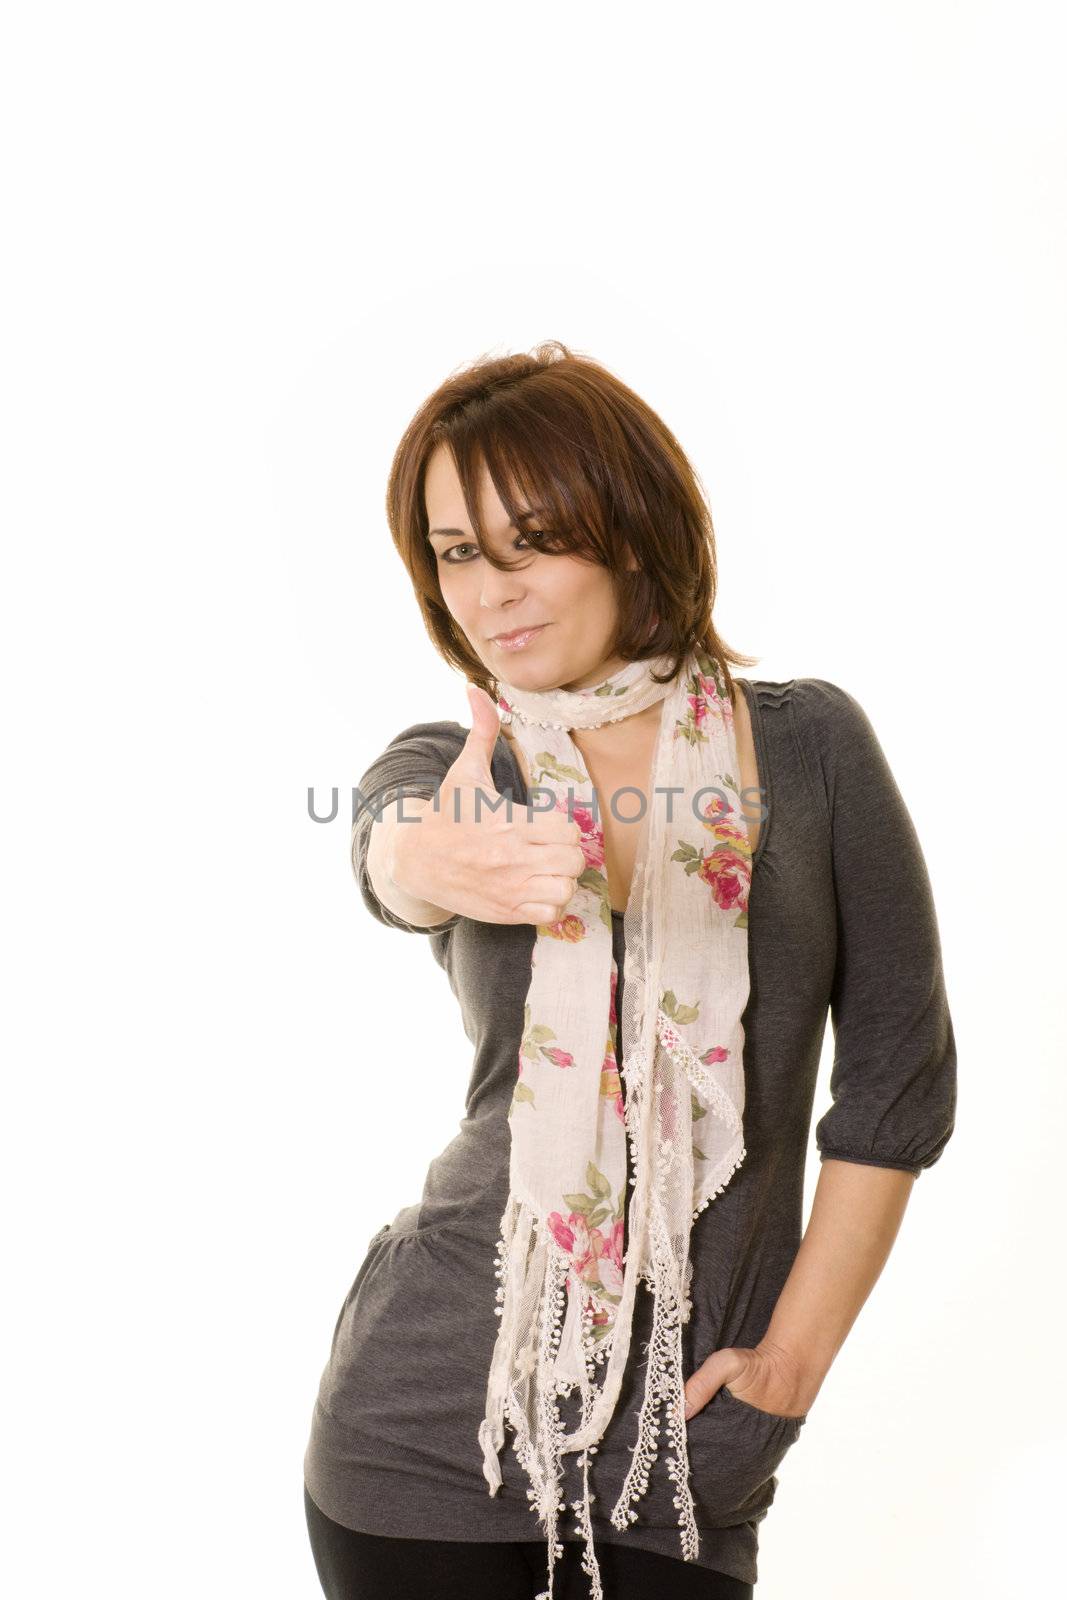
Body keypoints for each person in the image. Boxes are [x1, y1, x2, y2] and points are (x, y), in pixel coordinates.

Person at [302, 342, 957, 1600]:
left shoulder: (807, 750)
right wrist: (432, 861)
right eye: (454, 553)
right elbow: (391, 850)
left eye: (530, 539)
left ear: (631, 531)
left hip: (682, 1454)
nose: (489, 591)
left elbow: (893, 1083)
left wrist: (790, 1368)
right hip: (423, 1426)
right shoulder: (460, 766)